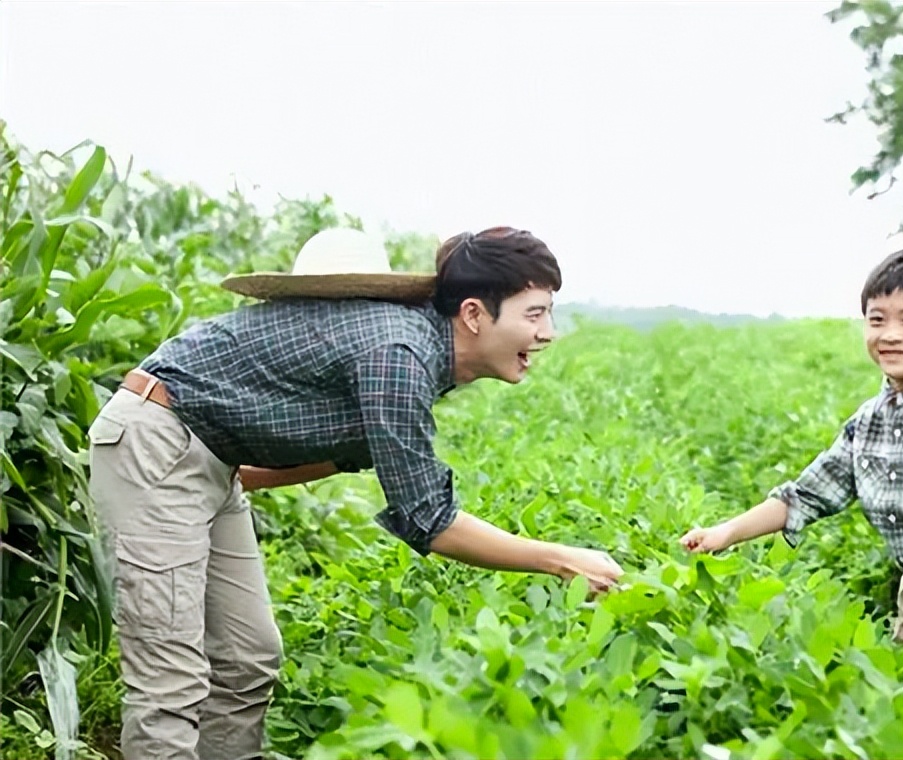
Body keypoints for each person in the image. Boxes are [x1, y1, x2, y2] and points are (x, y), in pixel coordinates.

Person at [86, 226, 625, 760]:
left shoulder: (417, 359)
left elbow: (329, 451)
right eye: (534, 313)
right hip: (158, 436)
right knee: (170, 680)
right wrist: (559, 559)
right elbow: (429, 519)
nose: (548, 332)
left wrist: (224, 482)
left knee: (248, 658)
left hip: (207, 458)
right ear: (474, 315)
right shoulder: (399, 354)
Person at [679, 245, 903, 697]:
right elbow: (805, 495)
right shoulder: (870, 419)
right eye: (877, 319)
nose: (890, 334)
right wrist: (723, 534)